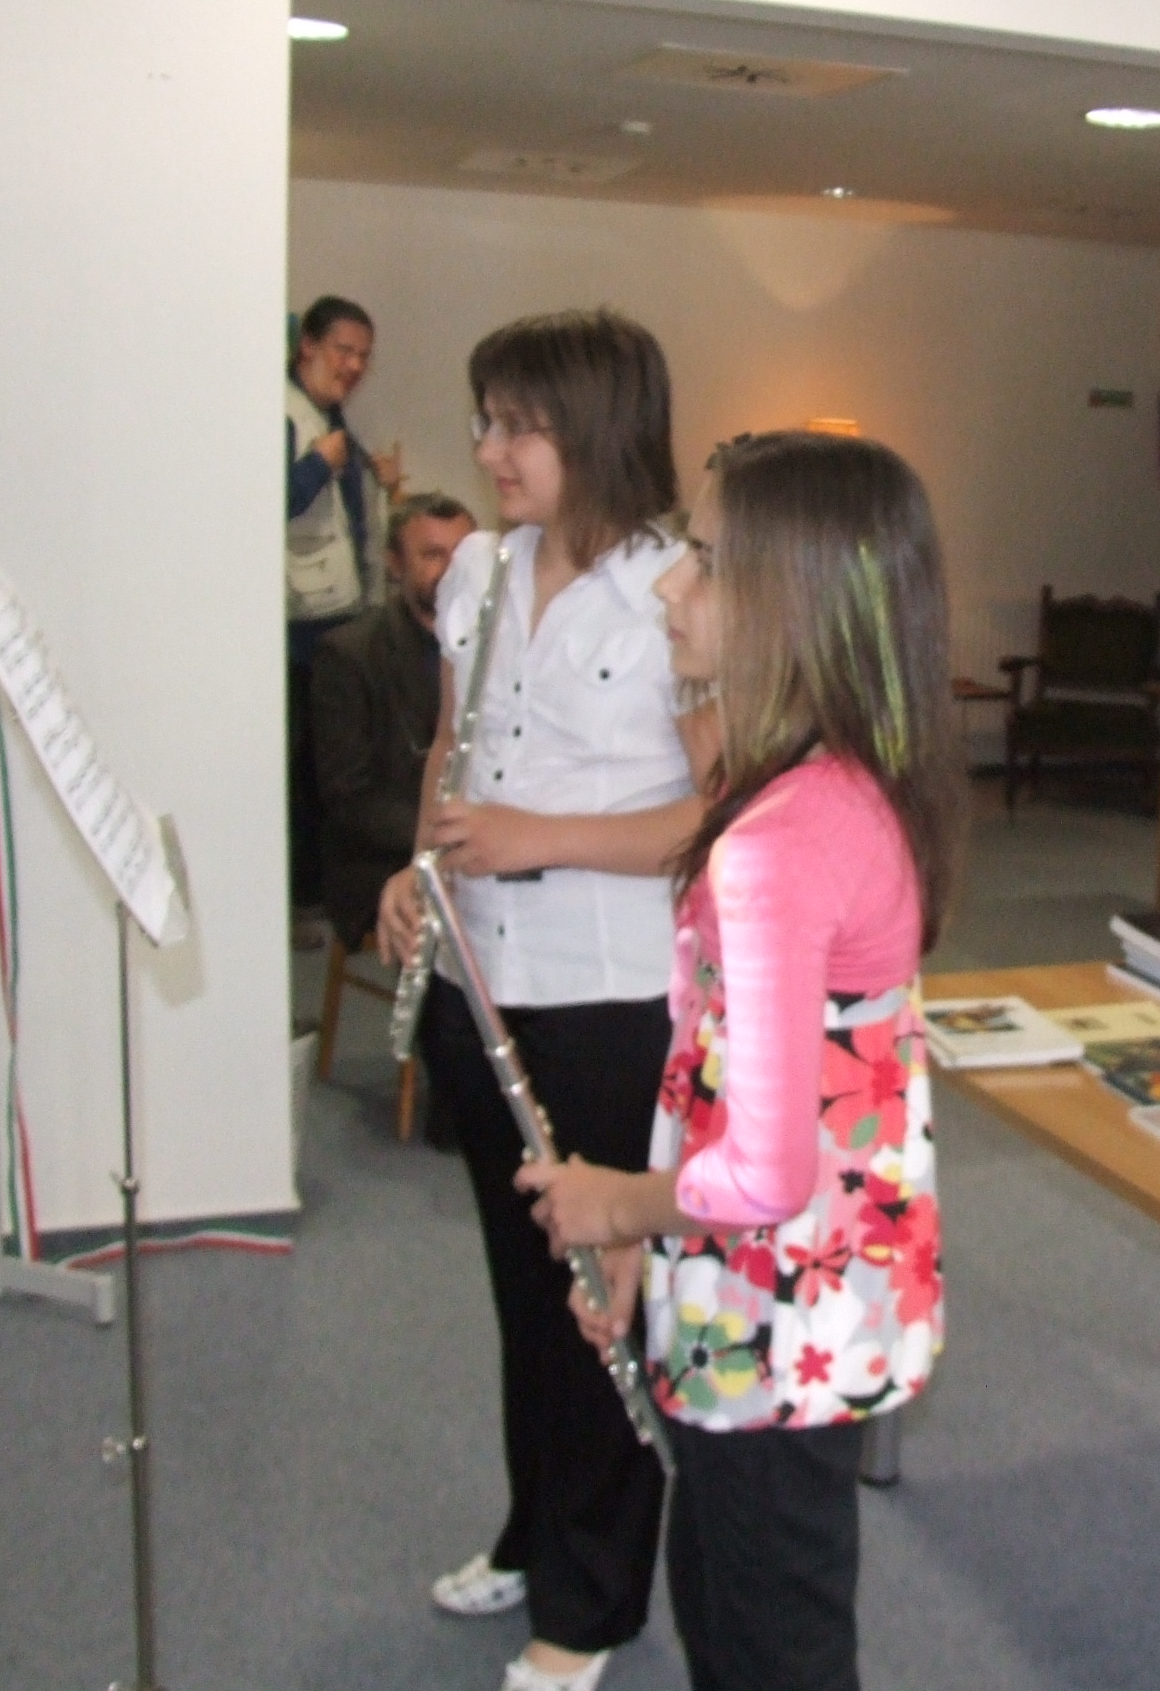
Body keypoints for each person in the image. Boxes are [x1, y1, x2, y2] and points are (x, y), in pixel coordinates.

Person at [522, 430, 965, 1691]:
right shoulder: (841, 788)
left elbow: (765, 1167)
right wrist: (651, 1239)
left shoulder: (782, 838)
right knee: (730, 1590)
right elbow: (733, 1080)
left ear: (800, 601)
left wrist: (617, 1204)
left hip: (777, 1305)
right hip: (786, 1286)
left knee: (767, 1636)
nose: (672, 585)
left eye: (709, 561)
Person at [374, 311, 699, 1691]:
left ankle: (592, 1604)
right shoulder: (479, 569)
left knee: (594, 1302)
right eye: (486, 420)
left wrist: (537, 839)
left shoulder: (680, 591)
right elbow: (452, 749)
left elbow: (720, 815)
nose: (492, 451)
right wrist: (416, 867)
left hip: (606, 996)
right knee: (524, 1291)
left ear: (599, 431)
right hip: (480, 981)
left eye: (520, 425)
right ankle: (535, 1527)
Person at [310, 490, 476, 956]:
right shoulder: (349, 654)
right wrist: (445, 838)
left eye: (462, 555)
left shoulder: (499, 642)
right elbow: (349, 797)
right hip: (380, 858)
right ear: (394, 564)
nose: (451, 570)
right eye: (432, 555)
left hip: (471, 838)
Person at [287, 293, 403, 924]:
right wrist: (315, 467)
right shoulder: (286, 416)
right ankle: (304, 901)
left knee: (334, 765)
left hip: (342, 616)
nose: (355, 365)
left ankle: (326, 899)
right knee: (306, 771)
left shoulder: (331, 421)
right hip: (301, 628)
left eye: (364, 356)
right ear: (307, 346)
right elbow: (255, 502)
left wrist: (380, 484)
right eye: (343, 350)